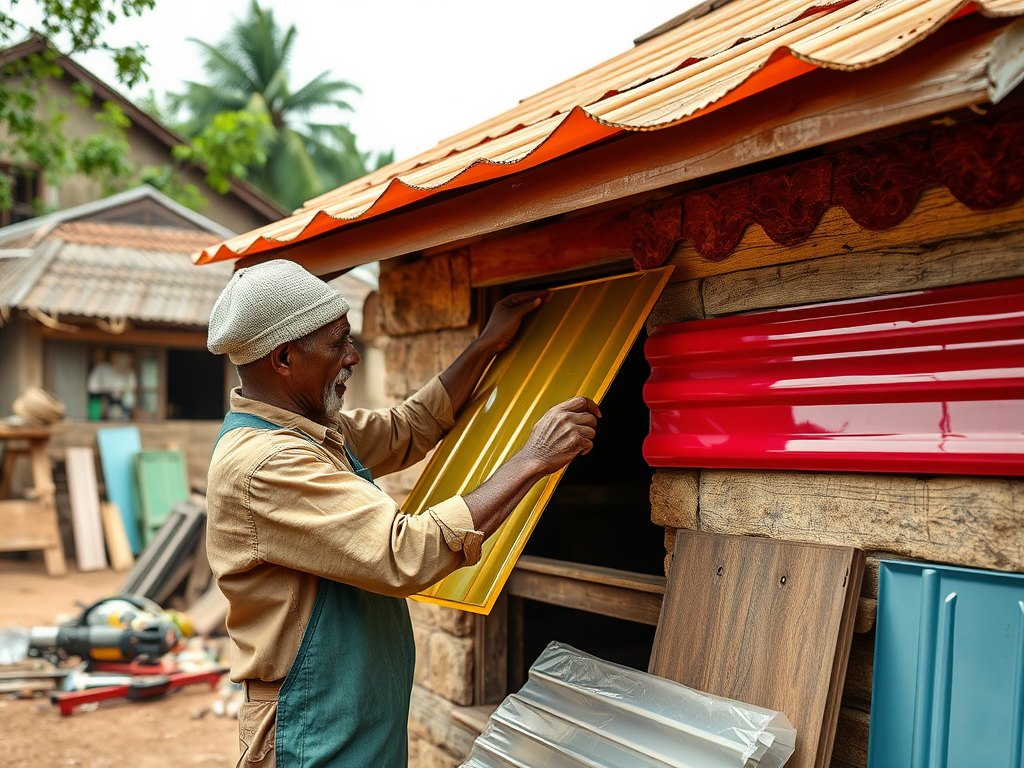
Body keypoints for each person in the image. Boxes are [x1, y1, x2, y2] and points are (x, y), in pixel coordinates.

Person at [204, 259, 601, 768]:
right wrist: (533, 460)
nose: (351, 357)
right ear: (284, 358)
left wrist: (485, 345)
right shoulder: (269, 463)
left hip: (350, 710)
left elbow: (407, 428)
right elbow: (405, 553)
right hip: (315, 724)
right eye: (337, 343)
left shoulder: (310, 428)